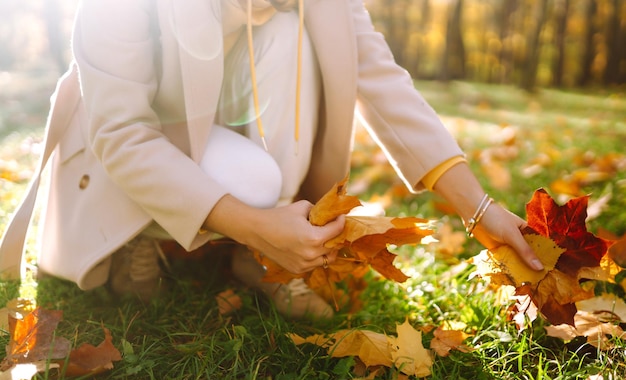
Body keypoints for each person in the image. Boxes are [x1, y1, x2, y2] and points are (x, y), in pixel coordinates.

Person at [0, 0, 543, 320]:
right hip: (123, 137)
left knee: (288, 34)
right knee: (155, 152)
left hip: (221, 132)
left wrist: (479, 210)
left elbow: (382, 82)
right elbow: (122, 133)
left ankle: (263, 256)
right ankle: (139, 242)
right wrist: (253, 223)